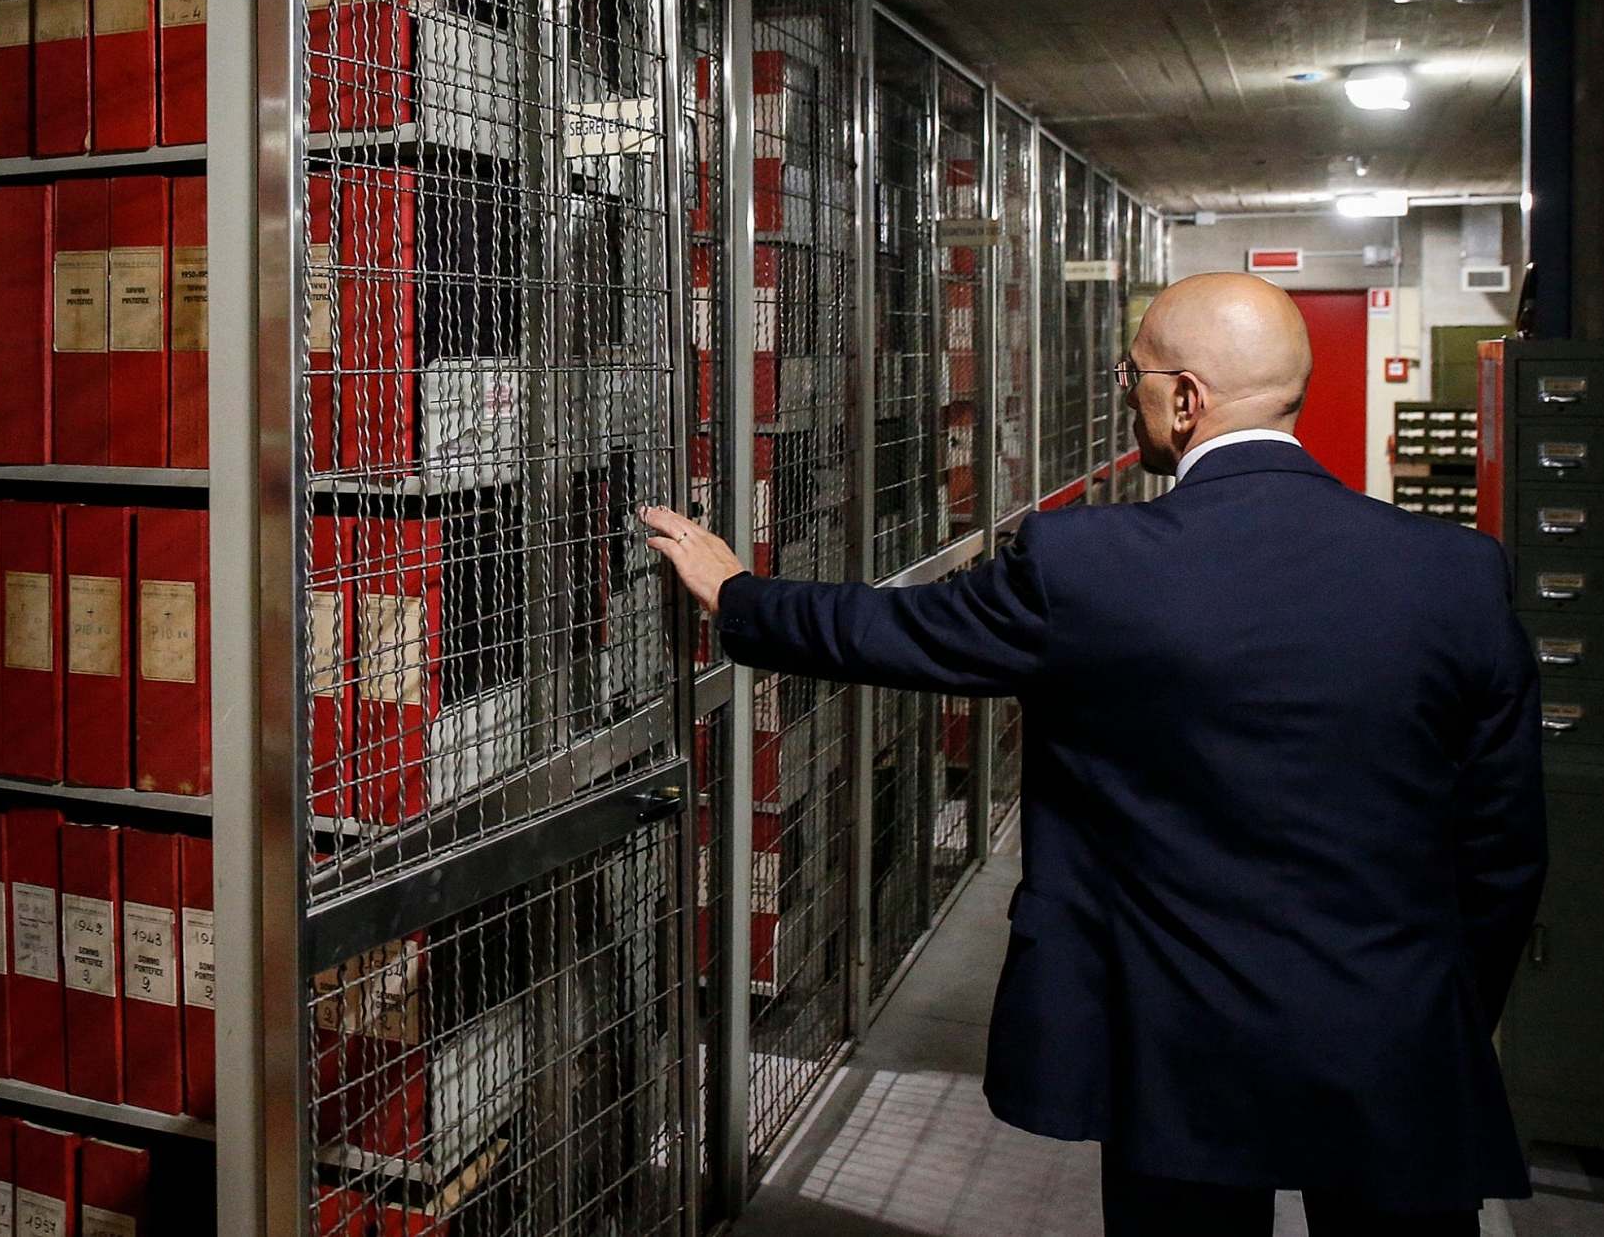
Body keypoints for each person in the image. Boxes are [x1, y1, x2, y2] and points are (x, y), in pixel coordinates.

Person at [642, 271, 1544, 1237]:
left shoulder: (1088, 564)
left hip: (1174, 1046)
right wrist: (1441, 1010)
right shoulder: (1457, 575)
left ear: (1187, 398)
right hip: (1396, 1041)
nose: (1128, 395)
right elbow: (1504, 853)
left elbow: (892, 630)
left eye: (1135, 376)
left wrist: (738, 594)